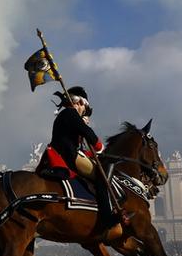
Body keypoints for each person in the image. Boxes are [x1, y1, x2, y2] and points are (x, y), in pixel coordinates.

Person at [36, 85, 124, 240]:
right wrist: (100, 147)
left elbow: (79, 138)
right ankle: (107, 217)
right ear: (80, 103)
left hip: (68, 152)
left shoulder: (66, 115)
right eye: (84, 107)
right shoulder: (70, 113)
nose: (84, 111)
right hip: (68, 156)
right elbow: (87, 133)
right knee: (101, 177)